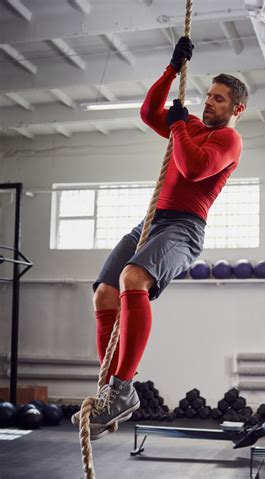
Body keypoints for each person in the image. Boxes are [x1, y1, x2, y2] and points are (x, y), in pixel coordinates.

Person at [72, 37, 248, 439]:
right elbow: (149, 111)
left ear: (237, 108)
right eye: (209, 96)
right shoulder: (191, 127)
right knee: (103, 293)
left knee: (133, 279)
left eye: (219, 99)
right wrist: (171, 69)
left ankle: (122, 388)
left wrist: (180, 126)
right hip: (150, 223)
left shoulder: (228, 140)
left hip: (184, 228)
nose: (209, 103)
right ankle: (109, 391)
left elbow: (192, 168)